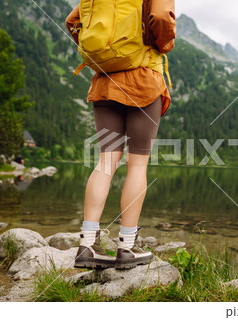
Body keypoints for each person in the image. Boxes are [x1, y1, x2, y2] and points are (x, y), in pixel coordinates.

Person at [65, 0, 176, 270]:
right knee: (137, 164)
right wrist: (162, 45)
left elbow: (72, 22)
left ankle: (87, 244)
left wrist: (104, 54)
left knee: (106, 161)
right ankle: (126, 246)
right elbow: (162, 16)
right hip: (143, 79)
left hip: (104, 81)